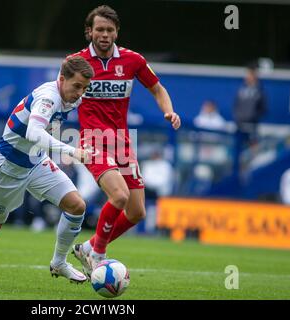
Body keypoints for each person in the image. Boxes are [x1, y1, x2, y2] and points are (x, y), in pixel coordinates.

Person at [0, 56, 94, 285]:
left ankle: (59, 262)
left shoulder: (72, 98)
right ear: (61, 79)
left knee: (77, 205)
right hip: (8, 166)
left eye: (84, 88)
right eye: (77, 86)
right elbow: (34, 133)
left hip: (37, 161)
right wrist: (71, 151)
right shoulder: (48, 97)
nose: (80, 93)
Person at [69, 5, 181, 277]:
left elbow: (157, 88)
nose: (104, 35)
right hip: (92, 139)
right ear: (89, 32)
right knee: (118, 196)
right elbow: (61, 92)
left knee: (137, 211)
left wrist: (168, 109)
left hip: (121, 142)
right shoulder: (77, 62)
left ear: (117, 32)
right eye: (99, 30)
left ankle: (88, 247)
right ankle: (98, 256)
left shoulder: (132, 60)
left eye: (109, 30)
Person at [232, 65, 267, 148]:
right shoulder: (241, 90)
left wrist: (253, 116)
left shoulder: (260, 92)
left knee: (252, 146)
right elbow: (236, 105)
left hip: (252, 125)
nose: (247, 77)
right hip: (239, 124)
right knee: (238, 146)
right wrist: (237, 116)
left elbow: (263, 108)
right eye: (247, 75)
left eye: (250, 75)